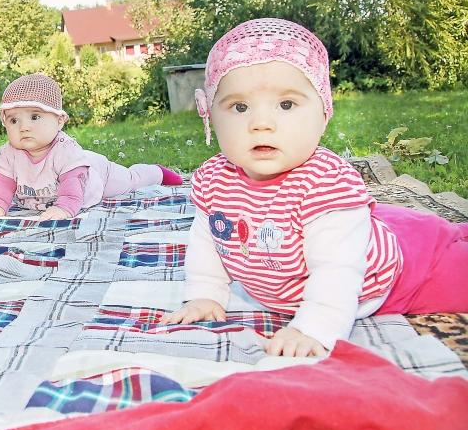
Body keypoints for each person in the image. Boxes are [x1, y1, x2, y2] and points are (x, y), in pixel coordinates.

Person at [159, 18, 468, 357]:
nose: (261, 123)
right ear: (211, 117)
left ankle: (434, 237)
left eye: (287, 105)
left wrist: (313, 327)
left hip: (397, 277)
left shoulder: (326, 183)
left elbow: (337, 270)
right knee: (388, 226)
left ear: (323, 113)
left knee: (450, 263)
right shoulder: (214, 179)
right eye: (240, 107)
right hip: (349, 231)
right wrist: (205, 292)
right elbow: (207, 241)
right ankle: (413, 227)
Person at [0, 73, 183, 221]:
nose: (24, 127)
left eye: (35, 117)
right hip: (42, 198)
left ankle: (156, 172)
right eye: (14, 120)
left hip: (95, 175)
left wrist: (64, 208)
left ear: (59, 121)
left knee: (129, 180)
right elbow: (2, 183)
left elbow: (72, 184)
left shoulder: (65, 150)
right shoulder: (8, 153)